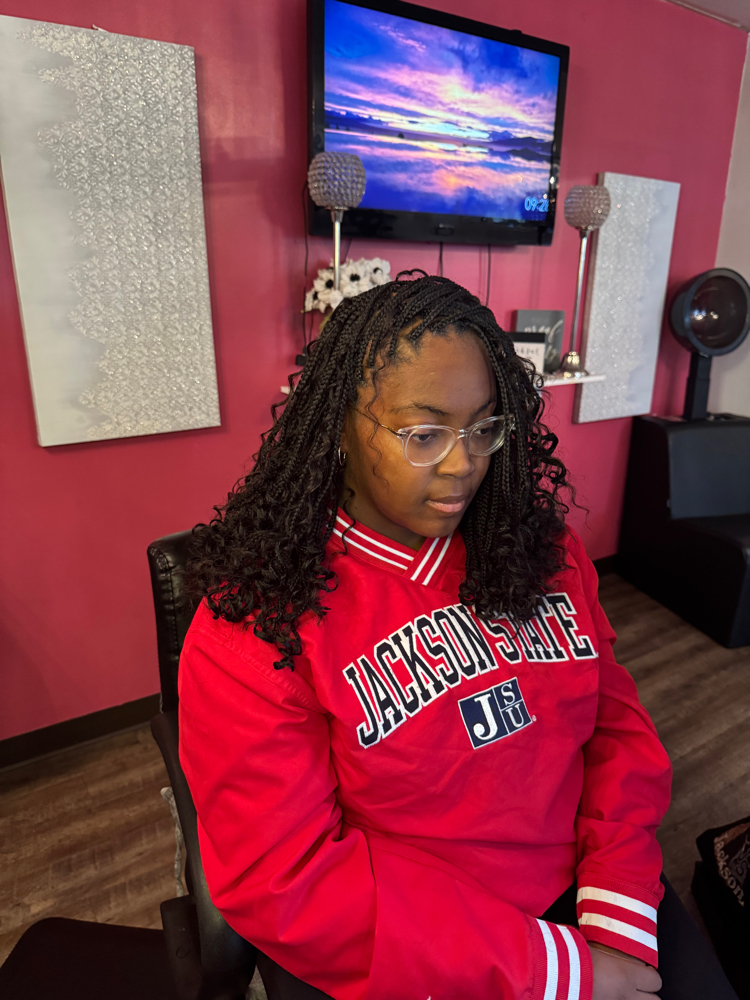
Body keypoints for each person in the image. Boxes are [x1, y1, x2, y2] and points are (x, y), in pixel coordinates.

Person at [178, 274, 724, 1000]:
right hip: (421, 945)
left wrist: (616, 912)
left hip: (593, 897)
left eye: (484, 428)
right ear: (340, 425)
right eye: (424, 433)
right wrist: (559, 972)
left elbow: (614, 730)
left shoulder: (542, 552)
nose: (464, 463)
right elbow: (285, 877)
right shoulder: (256, 622)